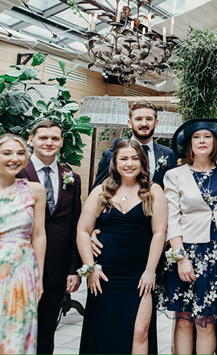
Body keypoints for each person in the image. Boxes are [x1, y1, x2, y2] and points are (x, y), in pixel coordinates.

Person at [76, 140, 167, 354]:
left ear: (142, 162)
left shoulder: (153, 191)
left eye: (135, 158)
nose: (129, 163)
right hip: (105, 275)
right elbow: (82, 230)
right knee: (105, 331)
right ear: (114, 163)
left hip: (139, 274)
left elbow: (159, 233)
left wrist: (150, 271)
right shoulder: (101, 190)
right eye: (123, 159)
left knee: (140, 330)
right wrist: (90, 267)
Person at [156, 118, 217, 355]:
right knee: (184, 318)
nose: (202, 141)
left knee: (207, 321)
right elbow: (171, 220)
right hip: (187, 252)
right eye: (197, 137)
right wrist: (181, 258)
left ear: (215, 142)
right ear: (189, 144)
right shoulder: (174, 175)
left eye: (207, 137)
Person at [17, 120, 81, 354]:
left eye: (55, 138)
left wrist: (74, 268)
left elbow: (75, 223)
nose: (49, 142)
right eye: (43, 137)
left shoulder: (72, 177)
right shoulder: (16, 171)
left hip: (56, 268)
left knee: (46, 331)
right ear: (31, 140)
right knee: (16, 328)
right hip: (19, 265)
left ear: (62, 142)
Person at [0, 133, 46, 354]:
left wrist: (39, 278)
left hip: (21, 272)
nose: (14, 158)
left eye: (20, 153)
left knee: (16, 332)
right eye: (6, 153)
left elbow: (38, 235)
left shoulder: (34, 190)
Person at [94, 100, 176, 188]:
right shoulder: (112, 154)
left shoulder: (169, 154)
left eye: (149, 119)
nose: (144, 124)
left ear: (156, 123)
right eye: (138, 119)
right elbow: (99, 190)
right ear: (130, 123)